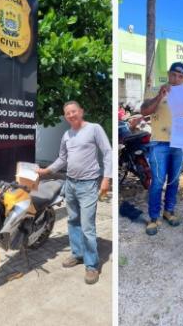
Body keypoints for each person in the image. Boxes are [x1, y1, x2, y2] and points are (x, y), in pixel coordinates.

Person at [37, 101, 112, 285]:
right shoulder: (67, 134)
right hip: (70, 184)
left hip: (88, 185)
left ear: (81, 111)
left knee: (87, 226)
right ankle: (77, 254)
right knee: (73, 221)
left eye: (74, 111)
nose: (71, 115)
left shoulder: (94, 129)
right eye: (67, 113)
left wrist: (106, 178)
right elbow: (63, 158)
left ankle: (92, 265)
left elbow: (108, 152)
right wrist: (46, 171)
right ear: (65, 116)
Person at [140, 62, 183, 236]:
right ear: (168, 74)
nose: (176, 79)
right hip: (159, 142)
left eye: (180, 76)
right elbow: (144, 110)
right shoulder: (154, 90)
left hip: (180, 142)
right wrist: (160, 96)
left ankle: (169, 211)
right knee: (158, 182)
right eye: (174, 74)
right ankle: (154, 218)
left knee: (174, 181)